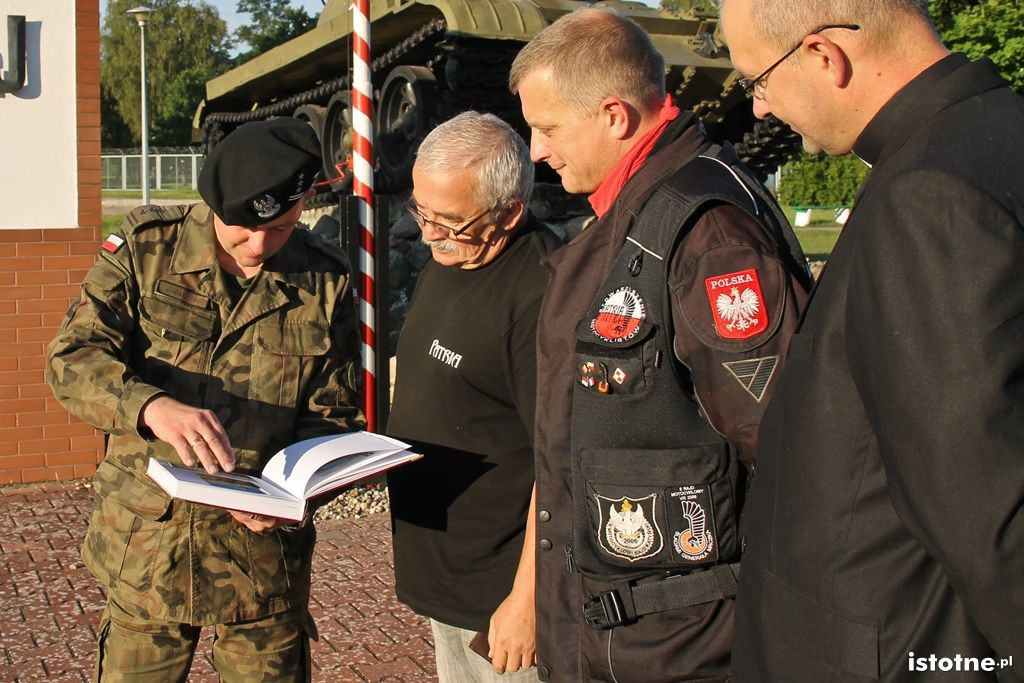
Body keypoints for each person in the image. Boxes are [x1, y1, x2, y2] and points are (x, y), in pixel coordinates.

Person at [717, 0, 1024, 680]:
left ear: (825, 57)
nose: (760, 109)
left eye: (758, 80)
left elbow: (992, 518)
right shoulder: (992, 137)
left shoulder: (931, 194)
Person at [507, 8, 813, 682]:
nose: (535, 151)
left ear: (614, 116)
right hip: (634, 637)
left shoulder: (709, 236)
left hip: (680, 648)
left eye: (548, 128)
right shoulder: (638, 214)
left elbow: (797, 454)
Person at [46, 118, 364, 681]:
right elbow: (71, 358)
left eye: (283, 227)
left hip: (262, 563)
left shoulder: (326, 279)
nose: (261, 245)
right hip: (150, 546)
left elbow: (331, 414)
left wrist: (295, 495)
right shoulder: (147, 252)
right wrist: (149, 406)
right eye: (243, 228)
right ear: (212, 202)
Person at [386, 111, 560, 681]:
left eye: (449, 221)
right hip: (449, 581)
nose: (429, 233)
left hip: (502, 598)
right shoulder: (454, 253)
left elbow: (560, 464)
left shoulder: (539, 295)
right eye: (422, 212)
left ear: (510, 212)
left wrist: (527, 602)